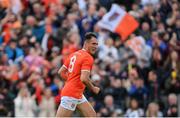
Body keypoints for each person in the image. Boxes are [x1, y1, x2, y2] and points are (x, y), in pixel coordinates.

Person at [56, 32, 100, 117]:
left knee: (92, 115)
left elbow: (61, 72)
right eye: (93, 44)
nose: (95, 46)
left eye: (97, 44)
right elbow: (84, 78)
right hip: (72, 94)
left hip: (77, 93)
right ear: (86, 43)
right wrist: (93, 88)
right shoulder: (88, 57)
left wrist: (70, 81)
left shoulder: (74, 54)